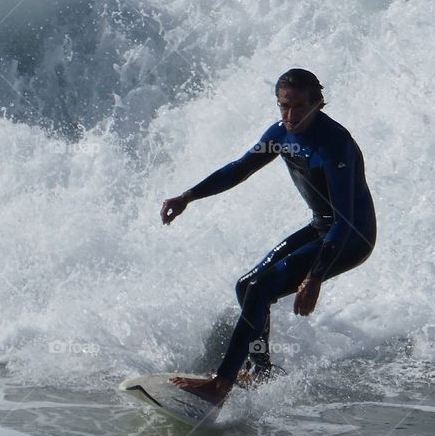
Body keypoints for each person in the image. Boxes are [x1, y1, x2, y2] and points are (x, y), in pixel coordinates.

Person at [159, 68, 376, 405]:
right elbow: (240, 168)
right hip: (322, 227)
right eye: (283, 106)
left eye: (299, 107)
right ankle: (261, 370)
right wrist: (188, 196)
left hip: (351, 236)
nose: (290, 116)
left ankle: (220, 385)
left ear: (317, 103)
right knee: (247, 287)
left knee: (261, 289)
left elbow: (345, 221)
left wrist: (315, 276)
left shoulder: (335, 144)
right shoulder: (280, 134)